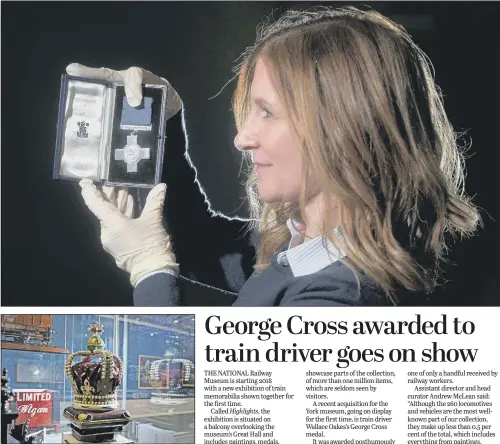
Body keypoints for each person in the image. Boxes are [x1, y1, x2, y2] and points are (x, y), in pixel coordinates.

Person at [72, 6, 480, 307]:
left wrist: (151, 272)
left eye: (267, 112)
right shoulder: (313, 243)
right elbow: (201, 243)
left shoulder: (337, 304)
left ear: (341, 127)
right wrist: (165, 119)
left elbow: (226, 410)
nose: (242, 138)